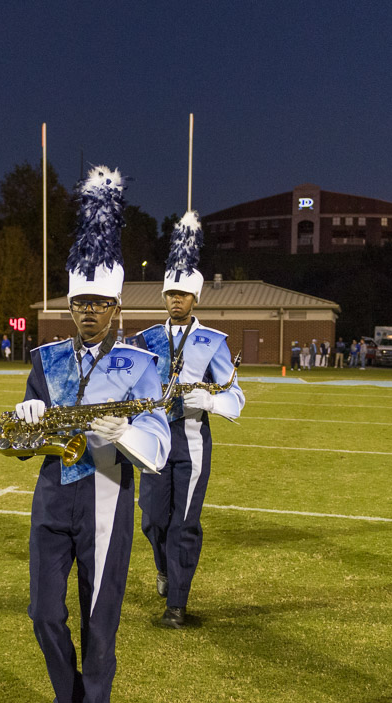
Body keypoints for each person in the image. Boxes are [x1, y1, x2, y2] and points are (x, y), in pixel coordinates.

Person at [13, 167, 170, 703]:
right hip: (52, 497)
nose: (88, 312)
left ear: (116, 306)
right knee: (44, 614)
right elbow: (27, 439)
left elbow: (156, 444)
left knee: (98, 622)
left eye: (100, 303)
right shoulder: (46, 358)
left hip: (107, 498)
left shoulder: (139, 363)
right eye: (80, 302)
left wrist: (124, 431)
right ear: (70, 303)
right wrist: (29, 420)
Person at [133, 211, 244, 629]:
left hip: (193, 441)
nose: (176, 299)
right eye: (170, 294)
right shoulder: (145, 340)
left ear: (195, 297)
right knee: (151, 519)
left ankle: (176, 605)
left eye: (183, 294)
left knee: (183, 523)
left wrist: (208, 401)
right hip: (153, 439)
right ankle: (164, 570)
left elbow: (236, 397)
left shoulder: (213, 341)